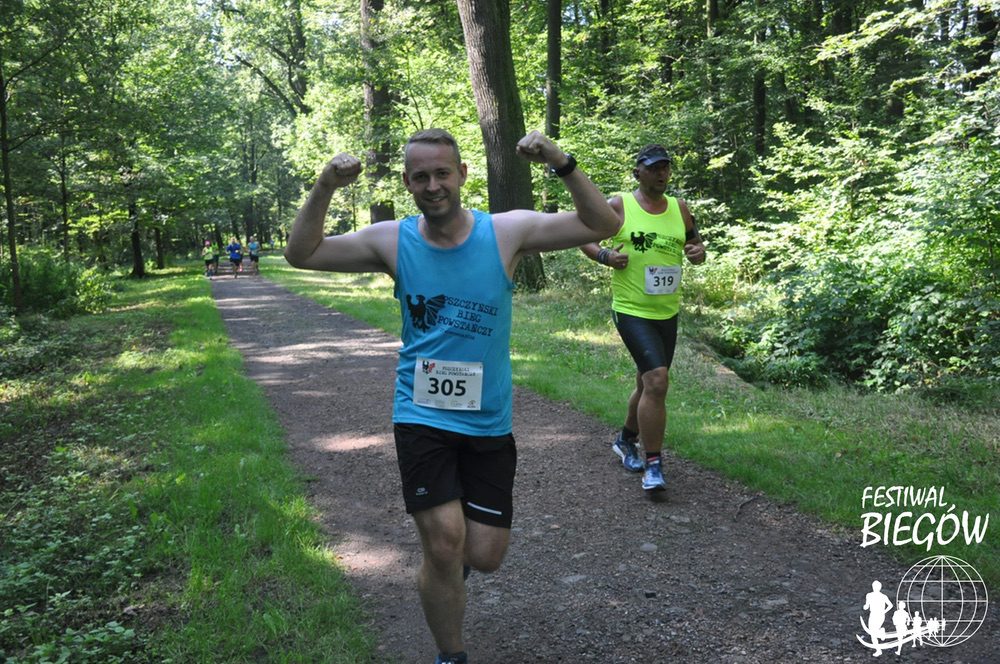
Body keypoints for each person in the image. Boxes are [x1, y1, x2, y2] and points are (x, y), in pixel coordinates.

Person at [284, 128, 618, 664]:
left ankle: (450, 565)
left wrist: (560, 160)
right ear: (407, 183)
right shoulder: (392, 240)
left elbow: (603, 224)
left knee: (484, 556)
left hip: (488, 420)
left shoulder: (506, 232)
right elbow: (302, 253)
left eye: (442, 173)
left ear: (462, 174)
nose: (433, 185)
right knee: (443, 544)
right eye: (421, 177)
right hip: (421, 413)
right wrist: (325, 184)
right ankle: (450, 653)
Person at [579, 144, 706, 493]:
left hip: (667, 311)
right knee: (658, 382)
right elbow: (584, 237)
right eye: (654, 168)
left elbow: (697, 246)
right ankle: (653, 465)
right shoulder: (620, 204)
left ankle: (625, 440)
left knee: (646, 384)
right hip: (631, 309)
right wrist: (605, 256)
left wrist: (698, 253)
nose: (662, 173)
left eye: (666, 167)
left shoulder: (680, 208)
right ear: (638, 172)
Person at [863, 580, 894, 657]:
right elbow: (867, 605)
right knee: (872, 633)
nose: (875, 588)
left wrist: (884, 611)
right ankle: (878, 649)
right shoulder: (870, 595)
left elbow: (890, 605)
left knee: (873, 632)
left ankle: (881, 632)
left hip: (878, 614)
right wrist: (865, 607)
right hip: (874, 614)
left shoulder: (882, 596)